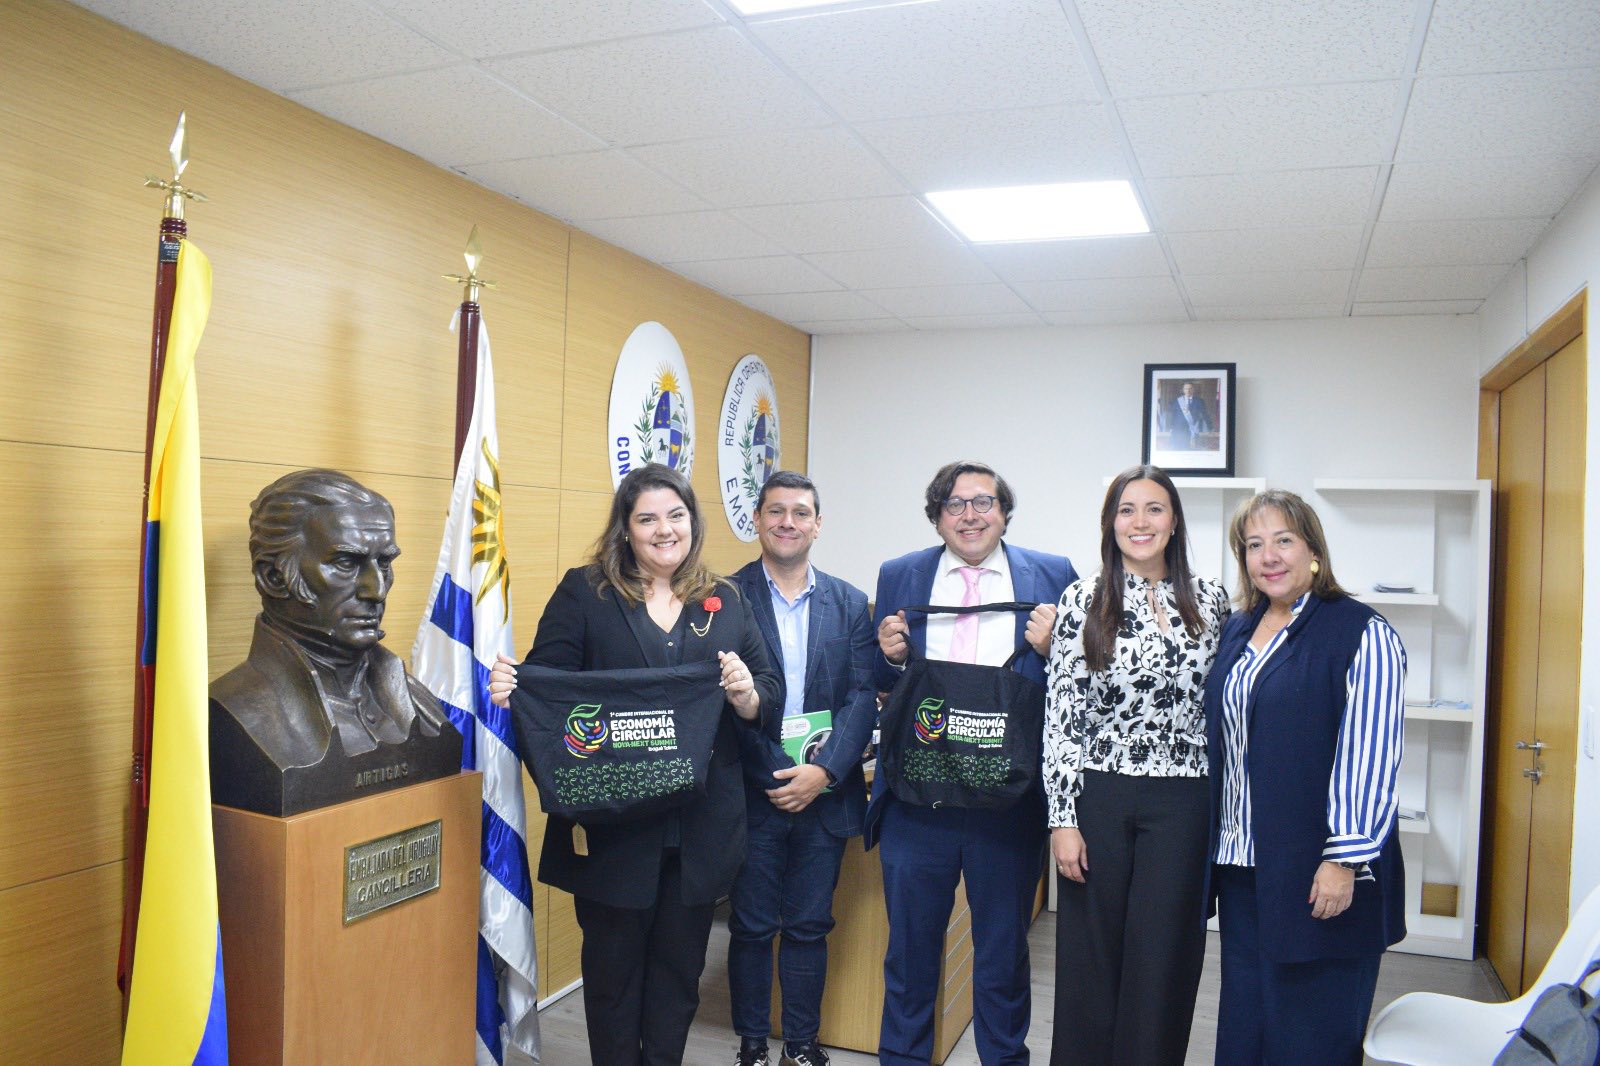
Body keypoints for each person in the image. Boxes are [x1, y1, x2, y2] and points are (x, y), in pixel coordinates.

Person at [487, 463, 780, 1066]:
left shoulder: (725, 599)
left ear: (693, 524)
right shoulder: (585, 593)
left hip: (701, 832)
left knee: (678, 979)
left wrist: (747, 695)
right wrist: (512, 688)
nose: (663, 529)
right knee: (613, 981)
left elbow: (767, 690)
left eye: (675, 516)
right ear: (625, 529)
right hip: (613, 833)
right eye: (647, 518)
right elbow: (550, 686)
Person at [872, 460, 1076, 1066]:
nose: (970, 515)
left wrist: (1055, 648)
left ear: (1004, 512)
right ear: (938, 516)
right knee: (908, 953)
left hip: (1007, 799)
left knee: (1003, 955)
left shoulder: (1054, 574)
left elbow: (1080, 682)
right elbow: (881, 678)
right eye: (956, 504)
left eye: (983, 502)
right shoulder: (899, 574)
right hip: (918, 799)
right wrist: (887, 657)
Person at [1203, 489, 1407, 1065]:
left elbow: (1368, 754)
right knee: (1248, 1028)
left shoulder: (1361, 633)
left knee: (1311, 1037)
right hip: (1245, 871)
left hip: (1323, 873)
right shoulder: (1237, 629)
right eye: (1253, 544)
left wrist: (1343, 859)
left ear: (1313, 550)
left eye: (1283, 540)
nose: (1269, 556)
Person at [1043, 465, 1230, 1065]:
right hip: (1100, 795)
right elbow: (1064, 715)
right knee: (1091, 957)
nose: (1140, 522)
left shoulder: (1211, 600)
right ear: (1111, 522)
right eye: (1127, 510)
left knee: (1164, 955)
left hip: (1183, 799)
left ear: (1174, 521)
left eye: (1155, 509)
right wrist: (1063, 818)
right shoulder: (1082, 599)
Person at [727, 471, 877, 1066]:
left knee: (811, 925)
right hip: (750, 794)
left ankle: (803, 1045)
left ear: (818, 524)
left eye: (801, 513)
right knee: (752, 927)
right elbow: (721, 701)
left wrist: (825, 773)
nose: (788, 522)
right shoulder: (721, 598)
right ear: (758, 520)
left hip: (825, 796)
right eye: (776, 511)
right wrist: (774, 776)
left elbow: (862, 697)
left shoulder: (848, 601)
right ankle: (752, 1047)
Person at [210, 468, 461, 816]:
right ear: (272, 577)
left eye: (384, 562)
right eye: (346, 563)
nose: (376, 590)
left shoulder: (422, 706)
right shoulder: (232, 713)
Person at [1164, 382, 1214, 450]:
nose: (1188, 390)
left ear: (1193, 390)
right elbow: (1172, 415)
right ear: (1183, 390)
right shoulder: (1176, 401)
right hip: (1178, 431)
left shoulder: (1199, 401)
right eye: (1186, 389)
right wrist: (1170, 427)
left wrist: (1210, 427)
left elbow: (1205, 414)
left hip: (1192, 431)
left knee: (1190, 451)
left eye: (1190, 389)